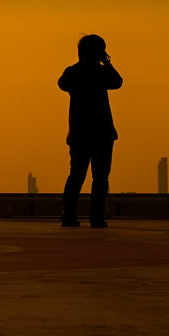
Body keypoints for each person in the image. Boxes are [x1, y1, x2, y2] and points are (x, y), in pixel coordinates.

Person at [58, 34, 122, 228]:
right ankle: (96, 216)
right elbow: (118, 82)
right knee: (100, 177)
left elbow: (62, 84)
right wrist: (106, 63)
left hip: (80, 133)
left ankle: (69, 215)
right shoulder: (101, 73)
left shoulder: (73, 72)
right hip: (101, 133)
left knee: (77, 174)